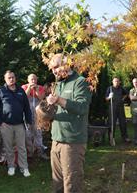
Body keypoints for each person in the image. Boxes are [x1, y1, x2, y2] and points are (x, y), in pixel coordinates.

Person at [46, 53, 92, 193]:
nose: (54, 71)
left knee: (72, 184)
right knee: (57, 184)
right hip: (56, 140)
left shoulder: (80, 82)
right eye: (52, 68)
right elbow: (57, 109)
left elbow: (82, 108)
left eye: (56, 67)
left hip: (72, 142)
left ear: (66, 64)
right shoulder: (58, 84)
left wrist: (58, 100)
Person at [0, 70, 32, 177]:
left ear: (15, 78)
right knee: (8, 147)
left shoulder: (21, 91)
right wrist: (0, 122)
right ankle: (11, 166)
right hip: (6, 125)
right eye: (9, 78)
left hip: (19, 124)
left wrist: (28, 121)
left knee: (21, 147)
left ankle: (24, 168)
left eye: (13, 77)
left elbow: (27, 107)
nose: (11, 79)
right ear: (5, 79)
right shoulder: (0, 90)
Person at [21, 74, 48, 159]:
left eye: (35, 79)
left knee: (38, 131)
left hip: (37, 112)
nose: (33, 81)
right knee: (27, 132)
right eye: (32, 79)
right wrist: (29, 88)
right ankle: (29, 152)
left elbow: (41, 98)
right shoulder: (24, 87)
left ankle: (39, 150)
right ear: (28, 80)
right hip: (27, 112)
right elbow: (24, 97)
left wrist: (36, 90)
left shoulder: (40, 87)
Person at [105, 77, 130, 143]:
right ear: (112, 82)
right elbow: (106, 98)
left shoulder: (121, 88)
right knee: (112, 123)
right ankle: (111, 138)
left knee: (123, 122)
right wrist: (109, 97)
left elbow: (126, 94)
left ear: (119, 82)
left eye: (117, 81)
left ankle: (125, 137)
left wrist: (123, 99)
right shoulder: (109, 89)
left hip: (120, 108)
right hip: (112, 108)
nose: (116, 82)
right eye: (115, 81)